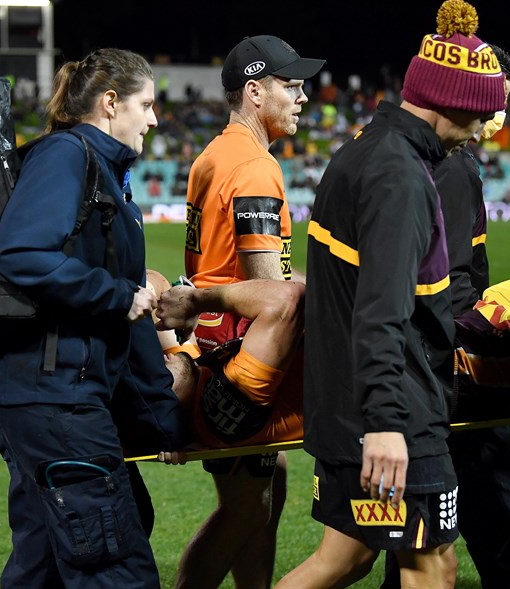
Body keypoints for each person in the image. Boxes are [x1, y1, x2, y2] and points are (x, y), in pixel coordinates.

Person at [275, 1, 507, 587]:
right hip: (392, 417)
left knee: (345, 558)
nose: (485, 129)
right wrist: (385, 425)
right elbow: (381, 313)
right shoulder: (401, 176)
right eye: (480, 113)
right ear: (448, 101)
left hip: (348, 408)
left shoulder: (363, 150)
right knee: (434, 565)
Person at [0, 48, 187, 589]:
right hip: (51, 396)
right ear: (110, 103)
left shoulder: (107, 175)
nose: (155, 119)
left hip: (51, 392)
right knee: (116, 567)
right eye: (147, 104)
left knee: (45, 562)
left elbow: (128, 320)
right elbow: (20, 254)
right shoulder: (66, 157)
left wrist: (165, 421)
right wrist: (117, 294)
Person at [381, 44, 510, 589]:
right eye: (495, 102)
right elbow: (447, 284)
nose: (497, 116)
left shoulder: (409, 157)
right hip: (451, 368)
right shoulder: (453, 169)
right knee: (506, 503)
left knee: (413, 541)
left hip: (420, 372)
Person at [178, 34, 324, 589]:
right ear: (255, 91)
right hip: (244, 360)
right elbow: (269, 286)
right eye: (291, 86)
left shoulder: (212, 154)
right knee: (245, 508)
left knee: (268, 489)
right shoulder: (256, 168)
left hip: (214, 341)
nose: (303, 97)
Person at [145, 269, 305, 453]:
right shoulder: (222, 404)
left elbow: (153, 281)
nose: (155, 363)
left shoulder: (188, 381)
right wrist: (195, 300)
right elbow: (289, 299)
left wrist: (146, 294)